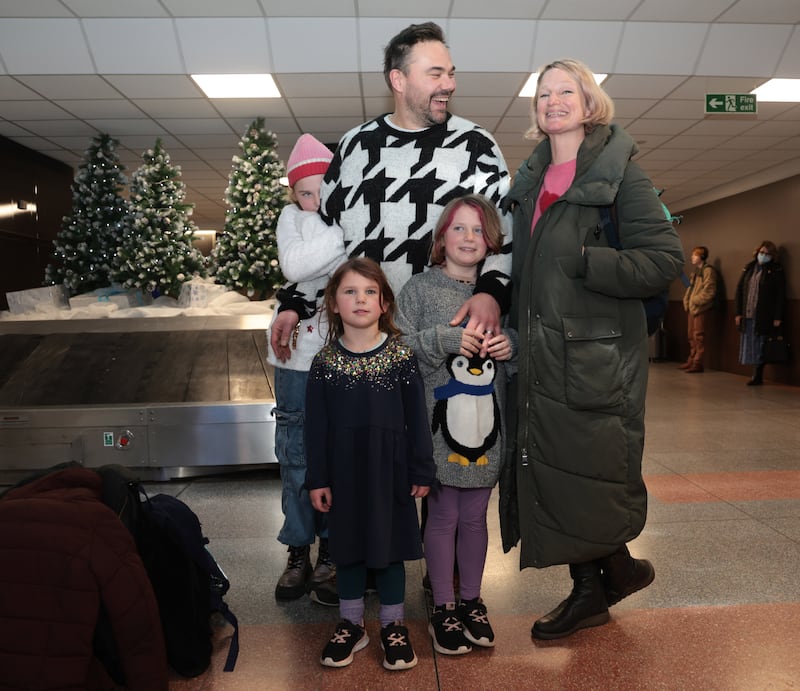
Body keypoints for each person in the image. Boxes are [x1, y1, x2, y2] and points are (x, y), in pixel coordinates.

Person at [499, 58, 684, 641]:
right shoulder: (526, 183)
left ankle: (590, 590)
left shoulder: (620, 172)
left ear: (588, 103)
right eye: (544, 93)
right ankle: (615, 571)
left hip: (595, 355)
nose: (553, 101)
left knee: (587, 465)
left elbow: (664, 261)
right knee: (555, 465)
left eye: (566, 92)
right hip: (539, 351)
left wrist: (586, 263)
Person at [269, 20, 512, 363]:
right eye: (436, 74)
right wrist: (296, 304)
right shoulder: (355, 148)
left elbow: (504, 234)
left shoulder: (476, 146)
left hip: (451, 345)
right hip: (366, 344)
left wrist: (492, 294)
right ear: (398, 80)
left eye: (451, 74)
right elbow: (332, 243)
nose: (449, 85)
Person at [396, 194, 515, 656]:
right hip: (436, 434)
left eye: (478, 230)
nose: (469, 238)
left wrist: (512, 346)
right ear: (441, 239)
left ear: (491, 242)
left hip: (489, 433)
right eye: (459, 229)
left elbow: (520, 340)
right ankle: (443, 604)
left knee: (476, 519)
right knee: (443, 517)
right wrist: (444, 339)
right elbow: (397, 346)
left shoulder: (503, 293)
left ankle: (472, 600)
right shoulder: (420, 290)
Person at [305, 257, 436, 671]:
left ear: (383, 304)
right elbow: (315, 429)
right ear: (333, 303)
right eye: (350, 291)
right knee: (346, 550)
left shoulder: (400, 357)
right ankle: (351, 624)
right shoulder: (324, 364)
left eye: (369, 292)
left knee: (390, 549)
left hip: (391, 472)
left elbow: (417, 419)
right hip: (343, 473)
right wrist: (317, 479)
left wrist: (421, 469)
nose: (360, 299)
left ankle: (393, 626)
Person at [266, 134, 346, 605]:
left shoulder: (351, 219)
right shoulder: (293, 219)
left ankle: (331, 552)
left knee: (335, 458)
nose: (314, 201)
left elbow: (347, 279)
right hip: (294, 358)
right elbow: (296, 266)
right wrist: (340, 238)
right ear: (293, 194)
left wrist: (307, 290)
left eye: (322, 191)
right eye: (305, 192)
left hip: (339, 355)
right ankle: (298, 550)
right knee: (296, 458)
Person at [734, 240, 786, 386]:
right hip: (748, 313)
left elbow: (780, 295)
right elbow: (739, 290)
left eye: (767, 254)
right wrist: (738, 312)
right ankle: (754, 372)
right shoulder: (749, 268)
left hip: (763, 314)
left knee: (761, 344)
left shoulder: (776, 270)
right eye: (762, 252)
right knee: (750, 343)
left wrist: (777, 316)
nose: (763, 255)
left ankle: (757, 375)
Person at [680, 245, 718, 373]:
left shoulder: (708, 271)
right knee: (691, 335)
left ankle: (698, 362)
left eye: (695, 255)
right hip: (692, 308)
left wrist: (695, 301)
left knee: (699, 336)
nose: (692, 257)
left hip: (700, 308)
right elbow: (689, 288)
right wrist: (687, 301)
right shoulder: (695, 272)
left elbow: (709, 291)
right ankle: (691, 359)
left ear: (701, 256)